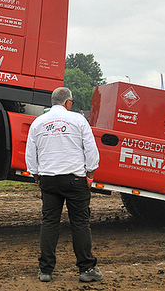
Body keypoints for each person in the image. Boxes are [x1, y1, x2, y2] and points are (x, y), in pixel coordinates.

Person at [25, 87, 104, 283]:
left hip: (49, 178)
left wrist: (36, 175)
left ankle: (45, 271)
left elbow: (30, 153)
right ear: (68, 102)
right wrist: (90, 174)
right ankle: (86, 269)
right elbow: (91, 150)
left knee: (49, 223)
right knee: (80, 224)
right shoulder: (78, 120)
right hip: (75, 179)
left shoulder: (38, 122)